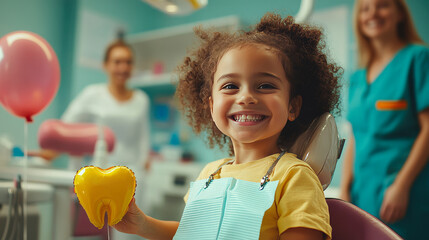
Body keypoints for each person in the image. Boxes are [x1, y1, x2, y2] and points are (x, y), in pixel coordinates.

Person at [113, 13, 342, 240]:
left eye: (264, 85)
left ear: (292, 106)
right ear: (212, 106)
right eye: (231, 85)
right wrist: (142, 224)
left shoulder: (295, 177)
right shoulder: (209, 173)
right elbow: (192, 234)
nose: (246, 97)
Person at [32, 40, 151, 240]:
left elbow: (143, 140)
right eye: (117, 61)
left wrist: (145, 168)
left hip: (133, 178)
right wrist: (46, 155)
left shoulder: (141, 99)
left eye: (128, 62)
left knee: (129, 234)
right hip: (100, 176)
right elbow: (64, 130)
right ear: (106, 65)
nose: (123, 67)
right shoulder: (92, 95)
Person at [339, 0, 429, 239]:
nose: (373, 14)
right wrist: (345, 188)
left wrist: (402, 185)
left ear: (400, 13)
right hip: (363, 193)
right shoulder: (358, 76)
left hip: (403, 193)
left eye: (382, 5)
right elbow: (355, 135)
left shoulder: (418, 58)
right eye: (365, 9)